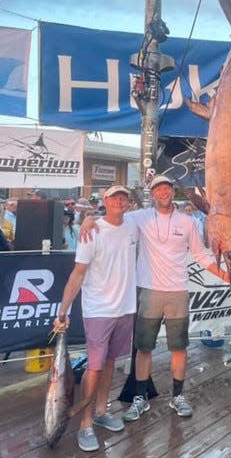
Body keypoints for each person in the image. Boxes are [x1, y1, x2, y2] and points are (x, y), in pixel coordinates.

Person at [80, 175, 230, 421]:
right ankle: (140, 398)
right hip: (148, 290)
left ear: (172, 192)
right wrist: (89, 219)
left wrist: (225, 275)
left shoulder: (188, 221)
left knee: (179, 347)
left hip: (178, 290)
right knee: (144, 347)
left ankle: (178, 396)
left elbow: (201, 255)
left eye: (167, 187)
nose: (163, 192)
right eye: (158, 188)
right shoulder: (139, 217)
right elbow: (112, 217)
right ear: (152, 193)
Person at [53, 185, 138, 452]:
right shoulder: (92, 231)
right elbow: (78, 274)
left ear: (128, 203)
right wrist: (63, 309)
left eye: (123, 197)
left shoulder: (134, 225)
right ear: (105, 201)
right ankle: (85, 424)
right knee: (95, 367)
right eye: (114, 197)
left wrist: (87, 214)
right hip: (98, 310)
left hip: (125, 308)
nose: (119, 201)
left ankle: (101, 411)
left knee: (110, 362)